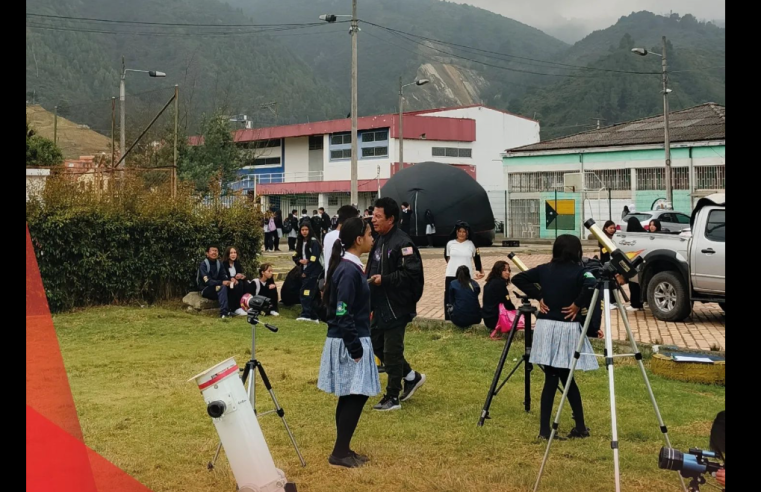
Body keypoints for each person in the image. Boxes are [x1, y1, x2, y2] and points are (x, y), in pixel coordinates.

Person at [512, 234, 602, 440]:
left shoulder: (545, 269)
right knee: (560, 377)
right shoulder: (581, 272)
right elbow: (593, 282)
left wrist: (539, 295)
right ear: (576, 251)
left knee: (559, 377)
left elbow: (519, 278)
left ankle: (578, 427)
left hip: (545, 327)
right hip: (567, 329)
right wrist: (578, 304)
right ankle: (550, 430)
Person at [317, 217, 380, 468]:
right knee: (356, 394)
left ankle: (343, 448)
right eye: (368, 233)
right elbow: (342, 311)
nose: (372, 237)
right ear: (358, 240)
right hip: (349, 339)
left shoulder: (351, 268)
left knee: (351, 394)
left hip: (350, 337)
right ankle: (339, 452)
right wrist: (354, 346)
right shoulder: (347, 269)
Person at [366, 197, 426, 411]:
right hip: (379, 305)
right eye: (373, 215)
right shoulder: (380, 239)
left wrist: (386, 279)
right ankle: (411, 376)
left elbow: (411, 274)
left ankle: (392, 397)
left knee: (392, 350)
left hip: (397, 306)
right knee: (375, 344)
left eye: (378, 216)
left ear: (391, 219)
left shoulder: (403, 243)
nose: (373, 220)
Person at [444, 221, 484, 321]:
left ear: (467, 233)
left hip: (466, 274)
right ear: (456, 232)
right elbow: (447, 257)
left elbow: (477, 258)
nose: (462, 234)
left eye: (464, 232)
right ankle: (449, 317)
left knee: (466, 295)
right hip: (451, 273)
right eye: (459, 231)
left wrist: (479, 270)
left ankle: (466, 316)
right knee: (450, 296)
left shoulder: (471, 245)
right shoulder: (450, 243)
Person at [293, 221, 323, 323]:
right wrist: (299, 261)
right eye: (302, 230)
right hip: (304, 270)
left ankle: (306, 314)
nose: (304, 232)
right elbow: (295, 255)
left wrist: (307, 270)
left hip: (312, 272)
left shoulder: (314, 242)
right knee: (311, 293)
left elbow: (314, 258)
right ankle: (313, 315)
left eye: (306, 230)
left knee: (305, 292)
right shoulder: (300, 242)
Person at [198, 245, 232, 318]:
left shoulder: (219, 263)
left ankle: (234, 309)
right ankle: (224, 313)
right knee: (222, 287)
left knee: (232, 286)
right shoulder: (203, 265)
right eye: (212, 251)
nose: (214, 252)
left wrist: (228, 281)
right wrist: (221, 282)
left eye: (216, 251)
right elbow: (208, 282)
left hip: (217, 287)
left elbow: (224, 276)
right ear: (207, 253)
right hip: (206, 289)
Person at [481, 260, 516, 331]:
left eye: (509, 270)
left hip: (487, 319)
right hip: (495, 321)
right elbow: (507, 303)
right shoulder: (499, 284)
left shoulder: (489, 283)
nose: (508, 272)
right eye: (504, 270)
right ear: (498, 271)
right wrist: (515, 312)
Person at [625, 217, 647, 311]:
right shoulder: (644, 234)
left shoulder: (630, 236)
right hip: (643, 262)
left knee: (633, 284)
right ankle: (642, 302)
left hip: (633, 263)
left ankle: (635, 304)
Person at [222, 246, 250, 316]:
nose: (233, 254)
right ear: (228, 254)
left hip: (237, 282)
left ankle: (246, 304)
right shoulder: (223, 264)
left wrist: (241, 276)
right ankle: (236, 307)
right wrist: (232, 279)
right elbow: (223, 276)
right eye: (231, 253)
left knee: (245, 283)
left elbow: (240, 273)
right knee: (237, 285)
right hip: (228, 284)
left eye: (235, 253)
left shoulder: (237, 264)